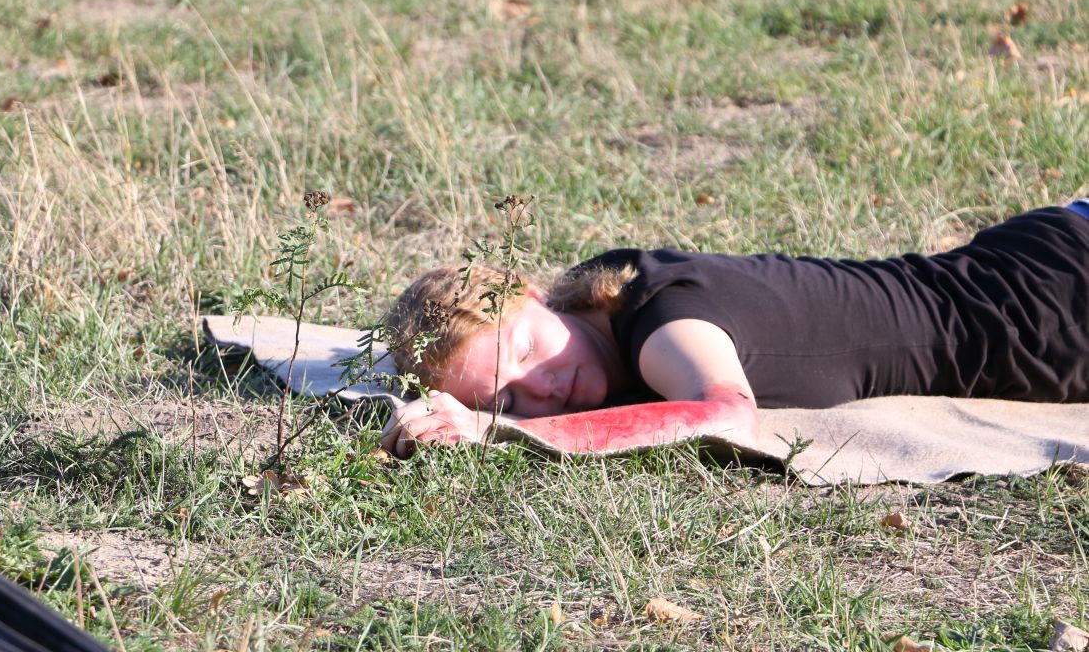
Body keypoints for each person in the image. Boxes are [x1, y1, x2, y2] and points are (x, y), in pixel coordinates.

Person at [379, 201, 1089, 459]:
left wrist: (500, 431)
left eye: (527, 350)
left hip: (1060, 297)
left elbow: (724, 415)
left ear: (535, 296)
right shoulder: (611, 300)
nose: (543, 387)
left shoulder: (660, 319)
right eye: (506, 400)